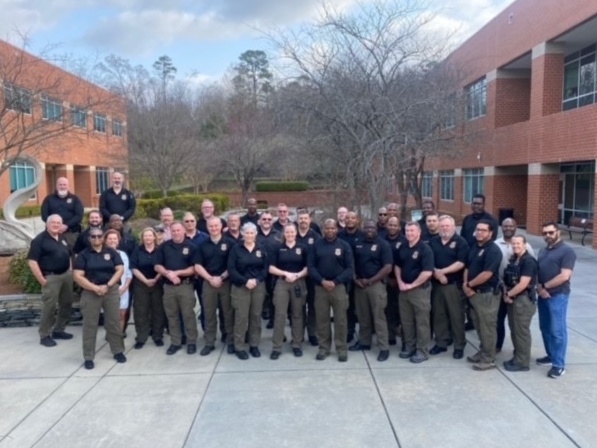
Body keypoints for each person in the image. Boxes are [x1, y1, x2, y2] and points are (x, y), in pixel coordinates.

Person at [73, 227, 125, 370]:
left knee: (113, 322)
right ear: (89, 238)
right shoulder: (83, 255)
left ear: (103, 237)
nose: (96, 239)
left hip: (111, 290)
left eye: (99, 236)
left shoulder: (111, 252)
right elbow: (77, 275)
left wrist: (108, 285)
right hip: (91, 292)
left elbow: (120, 269)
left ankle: (118, 350)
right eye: (93, 236)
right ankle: (88, 357)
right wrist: (95, 288)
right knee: (90, 325)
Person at [308, 219, 354, 362]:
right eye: (327, 228)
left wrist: (335, 281)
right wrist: (322, 281)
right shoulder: (316, 245)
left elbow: (350, 268)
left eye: (333, 228)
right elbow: (311, 267)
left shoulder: (344, 245)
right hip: (320, 287)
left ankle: (341, 349)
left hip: (338, 287)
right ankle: (324, 348)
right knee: (322, 320)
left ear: (337, 229)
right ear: (323, 229)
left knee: (340, 319)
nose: (330, 231)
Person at [536, 221, 577, 379]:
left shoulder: (567, 251)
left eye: (551, 233)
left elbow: (564, 276)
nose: (548, 236)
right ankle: (551, 356)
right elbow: (538, 272)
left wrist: (545, 287)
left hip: (558, 296)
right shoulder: (543, 251)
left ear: (558, 232)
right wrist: (539, 288)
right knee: (545, 328)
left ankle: (559, 365)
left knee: (557, 331)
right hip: (543, 295)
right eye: (545, 233)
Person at [27, 214, 73, 347]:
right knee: (50, 307)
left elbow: (68, 254)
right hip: (51, 277)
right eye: (54, 222)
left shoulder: (61, 237)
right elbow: (32, 261)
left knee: (66, 303)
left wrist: (70, 270)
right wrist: (42, 279)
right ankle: (44, 335)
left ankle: (59, 330)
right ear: (47, 224)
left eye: (59, 222)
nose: (56, 225)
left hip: (66, 276)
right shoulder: (39, 240)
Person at [463, 219, 503, 371]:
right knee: (479, 326)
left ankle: (489, 359)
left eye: (483, 230)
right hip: (473, 294)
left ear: (491, 233)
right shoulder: (474, 247)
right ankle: (483, 351)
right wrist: (466, 284)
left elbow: (487, 273)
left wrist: (469, 285)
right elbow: (467, 267)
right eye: (478, 229)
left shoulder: (493, 250)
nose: (479, 232)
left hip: (487, 295)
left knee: (487, 327)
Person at [350, 219, 392, 361]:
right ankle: (364, 342)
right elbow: (352, 263)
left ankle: (383, 347)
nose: (369, 230)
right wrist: (355, 279)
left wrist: (371, 280)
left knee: (378, 317)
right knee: (363, 316)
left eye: (372, 228)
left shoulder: (383, 244)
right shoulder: (357, 243)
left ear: (376, 229)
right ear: (363, 228)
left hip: (376, 285)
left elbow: (387, 267)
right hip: (360, 285)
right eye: (367, 227)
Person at [428, 215, 469, 359]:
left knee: (456, 316)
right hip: (437, 285)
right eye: (442, 226)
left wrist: (442, 272)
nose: (444, 228)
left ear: (453, 227)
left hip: (453, 286)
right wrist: (437, 274)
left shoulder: (461, 242)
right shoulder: (433, 242)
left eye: (447, 226)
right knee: (439, 315)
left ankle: (459, 345)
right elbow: (428, 260)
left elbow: (461, 263)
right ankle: (441, 343)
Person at [155, 222, 198, 355]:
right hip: (168, 287)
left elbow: (194, 268)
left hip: (185, 286)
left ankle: (191, 342)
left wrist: (178, 273)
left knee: (188, 315)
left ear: (184, 231)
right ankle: (176, 342)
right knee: (172, 316)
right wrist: (169, 274)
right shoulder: (164, 247)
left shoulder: (191, 247)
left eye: (178, 230)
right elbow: (157, 266)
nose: (176, 233)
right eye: (173, 230)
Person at [227, 222, 269, 360]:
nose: (249, 235)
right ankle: (239, 346)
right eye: (247, 233)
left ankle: (254, 345)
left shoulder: (261, 249)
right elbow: (231, 269)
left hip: (258, 287)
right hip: (241, 287)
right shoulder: (235, 249)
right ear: (242, 234)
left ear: (256, 234)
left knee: (255, 317)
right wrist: (245, 281)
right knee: (241, 318)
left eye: (252, 233)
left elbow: (265, 268)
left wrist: (256, 280)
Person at [394, 222, 434, 363]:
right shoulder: (403, 247)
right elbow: (397, 266)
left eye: (412, 230)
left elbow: (427, 272)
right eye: (407, 230)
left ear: (419, 232)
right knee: (406, 321)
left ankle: (422, 351)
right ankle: (409, 347)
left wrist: (412, 285)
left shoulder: (425, 249)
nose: (409, 233)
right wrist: (400, 282)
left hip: (419, 291)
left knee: (422, 322)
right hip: (403, 290)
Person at [195, 217, 236, 356]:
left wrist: (222, 277)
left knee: (228, 313)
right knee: (209, 314)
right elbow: (197, 265)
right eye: (211, 226)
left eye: (216, 225)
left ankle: (231, 341)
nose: (213, 228)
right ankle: (209, 343)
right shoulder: (202, 244)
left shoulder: (230, 243)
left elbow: (233, 265)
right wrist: (210, 278)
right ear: (207, 228)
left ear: (221, 226)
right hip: (208, 282)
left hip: (226, 282)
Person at [269, 224, 309, 359]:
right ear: (284, 234)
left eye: (292, 232)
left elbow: (308, 268)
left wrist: (297, 275)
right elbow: (271, 268)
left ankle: (297, 344)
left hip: (298, 282)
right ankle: (277, 347)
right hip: (282, 283)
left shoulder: (303, 248)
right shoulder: (277, 248)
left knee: (297, 314)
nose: (290, 234)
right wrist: (286, 273)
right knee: (280, 315)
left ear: (296, 233)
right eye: (287, 232)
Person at [495, 218, 534, 353]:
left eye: (511, 226)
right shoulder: (497, 244)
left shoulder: (527, 253)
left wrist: (509, 294)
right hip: (502, 288)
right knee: (500, 320)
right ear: (502, 227)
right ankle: (498, 346)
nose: (508, 228)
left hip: (519, 293)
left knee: (518, 327)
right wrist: (505, 291)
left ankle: (521, 355)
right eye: (506, 226)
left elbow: (528, 276)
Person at [502, 235, 538, 372]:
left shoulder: (528, 261)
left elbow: (523, 284)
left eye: (518, 243)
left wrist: (507, 295)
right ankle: (518, 356)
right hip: (513, 299)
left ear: (525, 244)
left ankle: (522, 363)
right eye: (513, 243)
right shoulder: (514, 259)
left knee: (521, 332)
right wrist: (508, 294)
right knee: (514, 330)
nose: (515, 246)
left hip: (523, 300)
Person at [130, 227, 165, 349]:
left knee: (158, 311)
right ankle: (141, 337)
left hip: (157, 283)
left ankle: (158, 336)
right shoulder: (137, 250)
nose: (148, 238)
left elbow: (164, 266)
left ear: (154, 237)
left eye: (150, 235)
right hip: (141, 284)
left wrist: (155, 279)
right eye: (145, 236)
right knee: (141, 311)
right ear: (142, 238)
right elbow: (133, 267)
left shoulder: (160, 250)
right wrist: (145, 280)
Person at [296, 209, 321, 346]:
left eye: (306, 218)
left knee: (313, 307)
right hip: (297, 277)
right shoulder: (293, 235)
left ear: (310, 220)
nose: (303, 221)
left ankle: (312, 334)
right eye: (301, 218)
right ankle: (298, 335)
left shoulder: (316, 236)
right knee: (298, 308)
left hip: (312, 278)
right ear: (297, 220)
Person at [338, 211, 363, 344]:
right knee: (346, 307)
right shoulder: (339, 235)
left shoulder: (363, 235)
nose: (350, 220)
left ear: (357, 220)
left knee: (359, 307)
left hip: (360, 277)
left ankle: (366, 333)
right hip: (344, 277)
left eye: (353, 218)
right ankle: (349, 331)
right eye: (347, 218)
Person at [41, 177, 84, 251]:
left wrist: (66, 225)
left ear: (68, 186)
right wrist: (56, 226)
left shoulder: (75, 199)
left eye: (64, 185)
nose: (62, 186)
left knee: (72, 253)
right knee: (52, 252)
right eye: (60, 184)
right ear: (56, 186)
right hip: (52, 233)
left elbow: (79, 215)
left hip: (70, 233)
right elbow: (44, 215)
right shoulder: (48, 199)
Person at [104, 229, 133, 335]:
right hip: (109, 289)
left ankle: (118, 335)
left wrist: (125, 287)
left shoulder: (123, 254)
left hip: (123, 290)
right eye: (110, 238)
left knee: (122, 314)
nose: (112, 241)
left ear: (118, 240)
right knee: (111, 315)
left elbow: (129, 273)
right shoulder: (102, 254)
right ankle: (110, 335)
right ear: (105, 240)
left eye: (115, 238)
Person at [384, 217, 405, 348]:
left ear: (399, 227)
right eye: (390, 225)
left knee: (403, 312)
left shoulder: (405, 240)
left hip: (401, 282)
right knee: (388, 310)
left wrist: (398, 280)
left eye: (395, 225)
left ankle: (404, 338)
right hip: (386, 280)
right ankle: (390, 336)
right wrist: (387, 279)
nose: (392, 227)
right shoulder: (382, 239)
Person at [257, 211, 282, 327]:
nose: (266, 221)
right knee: (259, 298)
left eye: (269, 219)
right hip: (258, 271)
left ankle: (273, 320)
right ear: (259, 221)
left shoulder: (280, 235)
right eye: (264, 219)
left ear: (272, 221)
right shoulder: (254, 235)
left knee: (274, 298)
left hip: (274, 271)